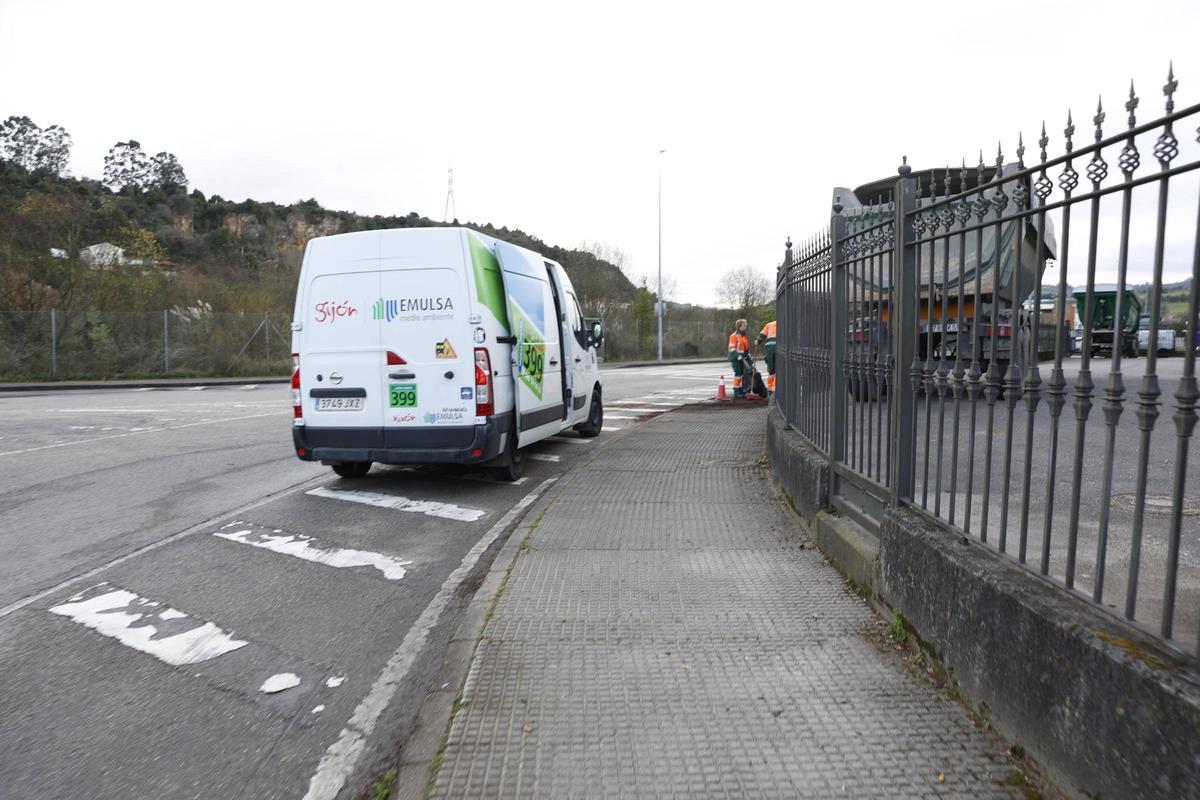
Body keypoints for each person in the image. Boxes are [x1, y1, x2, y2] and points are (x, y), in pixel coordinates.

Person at [727, 318, 751, 398]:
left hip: (742, 358)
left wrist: (748, 354)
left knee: (742, 374)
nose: (745, 327)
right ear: (739, 326)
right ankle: (736, 391)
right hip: (736, 359)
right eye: (744, 325)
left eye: (746, 325)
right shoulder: (734, 336)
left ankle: (741, 389)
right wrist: (738, 356)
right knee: (738, 374)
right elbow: (732, 348)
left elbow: (745, 348)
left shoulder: (743, 336)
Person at [757, 319, 777, 393]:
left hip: (770, 349)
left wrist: (758, 342)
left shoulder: (769, 324)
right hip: (779, 348)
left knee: (771, 370)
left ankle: (770, 388)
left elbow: (761, 336)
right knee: (779, 369)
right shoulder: (785, 324)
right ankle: (774, 388)